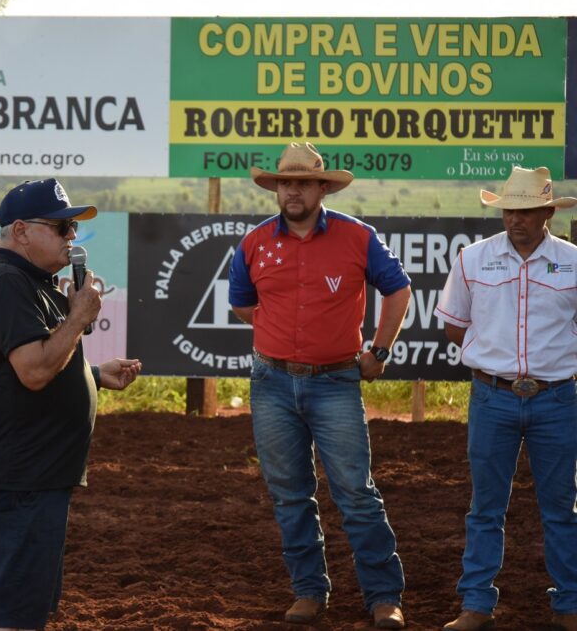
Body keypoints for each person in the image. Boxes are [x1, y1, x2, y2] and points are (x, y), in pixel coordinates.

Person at [228, 142, 412, 629]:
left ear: (321, 187)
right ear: (275, 188)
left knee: (355, 492)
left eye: (302, 182)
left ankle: (384, 596)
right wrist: (281, 333)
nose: (292, 190)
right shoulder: (253, 243)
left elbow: (398, 288)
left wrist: (380, 350)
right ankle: (309, 591)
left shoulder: (358, 237)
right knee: (289, 494)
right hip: (271, 380)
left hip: (335, 381)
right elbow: (243, 303)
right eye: (284, 182)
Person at [0, 178, 142, 631]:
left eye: (72, 228)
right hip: (19, 479)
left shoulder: (25, 282)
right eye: (62, 227)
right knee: (9, 617)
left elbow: (26, 369)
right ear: (20, 231)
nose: (72, 237)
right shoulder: (6, 282)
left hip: (27, 477)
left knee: (21, 613)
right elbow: (34, 371)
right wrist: (78, 317)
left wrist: (91, 375)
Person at [436, 166, 577, 631]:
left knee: (560, 507)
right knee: (485, 506)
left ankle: (569, 603)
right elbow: (455, 323)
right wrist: (492, 355)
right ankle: (476, 604)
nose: (516, 219)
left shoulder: (573, 261)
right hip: (492, 395)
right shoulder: (472, 259)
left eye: (526, 210)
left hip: (557, 397)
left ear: (548, 214)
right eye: (509, 210)